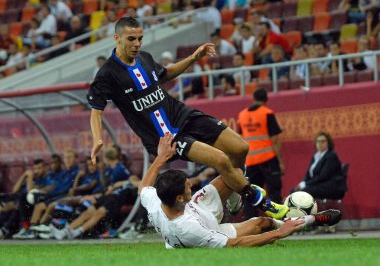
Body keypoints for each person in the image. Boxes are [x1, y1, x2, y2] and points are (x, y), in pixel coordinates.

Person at [87, 16, 289, 221]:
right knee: (220, 159)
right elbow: (96, 110)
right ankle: (263, 203)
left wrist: (193, 58)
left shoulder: (145, 58)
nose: (137, 44)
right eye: (131, 39)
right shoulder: (107, 74)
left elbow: (165, 74)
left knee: (240, 148)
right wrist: (97, 139)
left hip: (181, 114)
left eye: (140, 38)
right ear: (117, 38)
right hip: (166, 136)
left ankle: (234, 190)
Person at [139, 135, 342, 248]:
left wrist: (161, 158)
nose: (191, 184)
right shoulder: (189, 230)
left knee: (234, 171)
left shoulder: (156, 201)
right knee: (265, 223)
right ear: (180, 197)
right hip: (210, 229)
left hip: (198, 208)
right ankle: (310, 220)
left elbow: (143, 188)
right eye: (187, 186)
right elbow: (236, 244)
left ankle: (235, 203)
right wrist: (280, 233)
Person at [238, 88, 284, 206]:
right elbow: (275, 139)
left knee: (251, 194)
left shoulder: (242, 115)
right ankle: (278, 221)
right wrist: (280, 162)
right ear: (266, 99)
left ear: (253, 99)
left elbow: (239, 139)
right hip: (268, 158)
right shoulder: (267, 113)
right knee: (274, 192)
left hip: (250, 161)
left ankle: (250, 220)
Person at [292, 131, 347, 200]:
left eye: (323, 141)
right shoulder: (315, 156)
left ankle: (304, 210)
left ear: (328, 143)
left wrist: (305, 184)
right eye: (318, 141)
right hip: (318, 185)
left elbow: (323, 176)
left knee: (303, 192)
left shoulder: (331, 156)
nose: (320, 144)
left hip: (330, 187)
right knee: (294, 191)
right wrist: (302, 183)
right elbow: (308, 174)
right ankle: (291, 210)